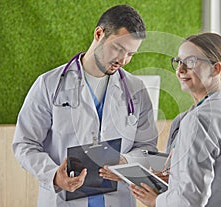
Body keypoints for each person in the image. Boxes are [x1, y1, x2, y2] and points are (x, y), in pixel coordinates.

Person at [12, 4, 158, 207]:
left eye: (131, 54)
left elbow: (147, 148)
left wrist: (124, 161)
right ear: (99, 33)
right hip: (62, 200)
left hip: (117, 200)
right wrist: (54, 175)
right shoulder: (49, 84)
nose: (123, 60)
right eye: (119, 49)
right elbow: (25, 144)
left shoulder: (136, 90)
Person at [130, 32, 221, 207]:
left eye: (191, 62)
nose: (180, 70)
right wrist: (176, 177)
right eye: (178, 62)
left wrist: (155, 201)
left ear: (216, 69)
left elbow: (189, 200)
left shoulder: (199, 119)